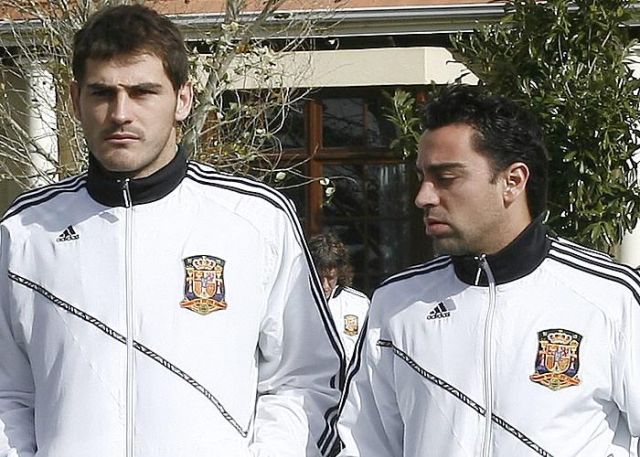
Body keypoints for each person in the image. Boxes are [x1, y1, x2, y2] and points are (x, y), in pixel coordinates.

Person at [0, 5, 343, 457]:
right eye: (102, 93)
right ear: (74, 100)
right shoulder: (25, 232)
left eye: (142, 92)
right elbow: (8, 392)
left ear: (183, 99)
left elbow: (303, 381)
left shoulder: (255, 219)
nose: (120, 113)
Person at [336, 85, 640, 456]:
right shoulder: (397, 303)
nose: (423, 196)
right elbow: (361, 444)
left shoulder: (610, 297)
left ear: (513, 181)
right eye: (422, 177)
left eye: (446, 177)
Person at [308, 232, 370, 365]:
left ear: (340, 273)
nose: (324, 286)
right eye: (319, 277)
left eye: (330, 278)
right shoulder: (294, 303)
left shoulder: (359, 304)